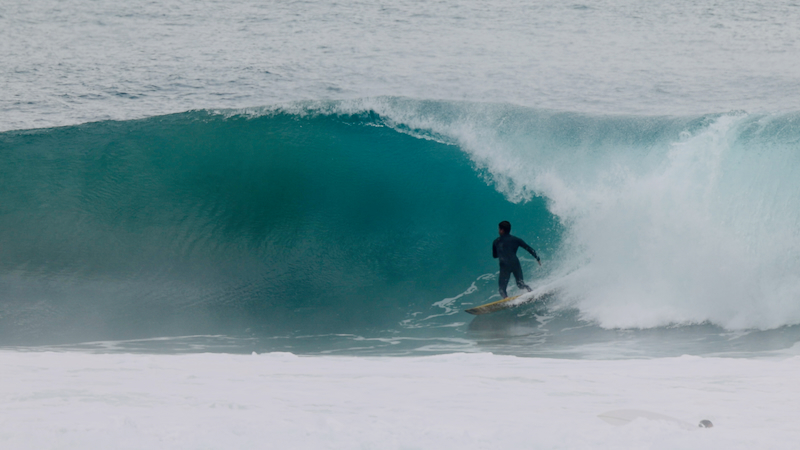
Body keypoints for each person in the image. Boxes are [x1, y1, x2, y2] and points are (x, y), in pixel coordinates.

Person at [492, 221, 541, 299]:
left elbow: (494, 256)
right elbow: (529, 248)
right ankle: (532, 293)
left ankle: (506, 299)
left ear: (501, 230)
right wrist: (537, 258)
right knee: (521, 285)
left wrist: (502, 252)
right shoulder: (516, 239)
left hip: (505, 265)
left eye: (499, 229)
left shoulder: (496, 242)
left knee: (502, 289)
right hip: (515, 263)